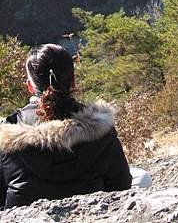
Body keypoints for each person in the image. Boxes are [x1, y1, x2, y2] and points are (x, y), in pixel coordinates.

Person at [0, 44, 133, 210]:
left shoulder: (8, 132)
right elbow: (122, 185)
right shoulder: (100, 125)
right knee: (142, 177)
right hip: (92, 214)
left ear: (30, 86)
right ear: (74, 81)